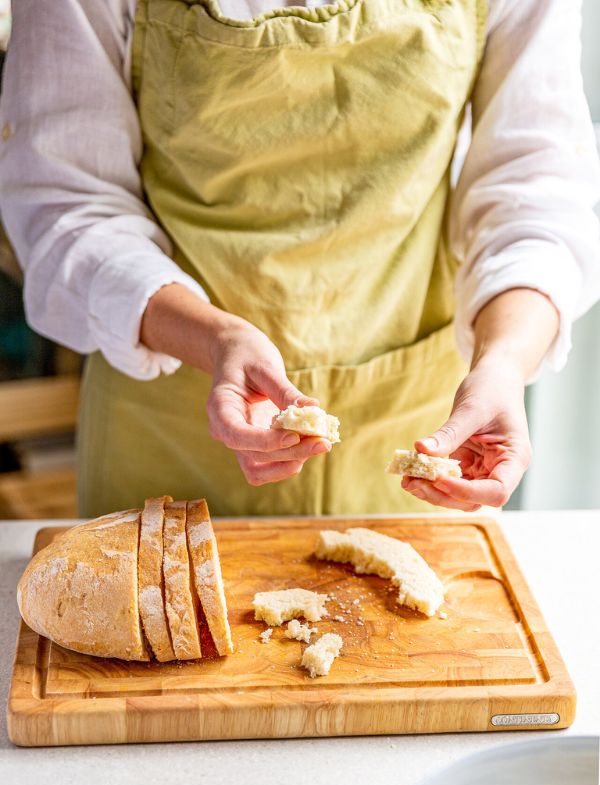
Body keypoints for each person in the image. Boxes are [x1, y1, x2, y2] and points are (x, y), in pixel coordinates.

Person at [0, 0, 599, 517]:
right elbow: (66, 200)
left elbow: (537, 187)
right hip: (171, 420)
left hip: (419, 412)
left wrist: (503, 364)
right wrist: (215, 338)